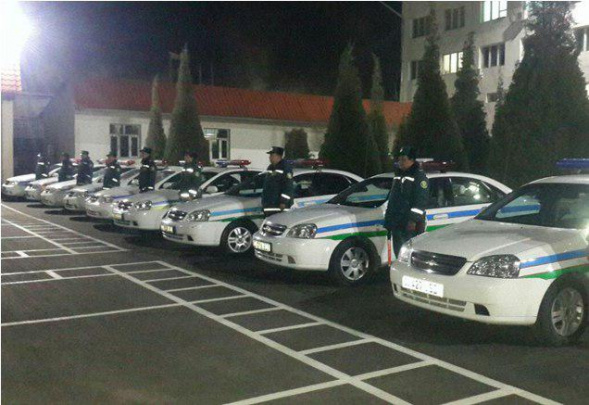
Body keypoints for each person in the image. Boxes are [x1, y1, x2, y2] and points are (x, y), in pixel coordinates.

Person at [384, 146, 429, 257]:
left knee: (410, 255)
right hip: (397, 222)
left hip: (410, 225)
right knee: (399, 253)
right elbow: (393, 199)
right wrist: (388, 220)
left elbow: (421, 201)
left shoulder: (419, 176)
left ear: (412, 160)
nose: (400, 162)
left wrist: (413, 220)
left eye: (404, 159)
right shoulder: (398, 175)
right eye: (399, 159)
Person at [261, 146, 294, 217]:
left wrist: (283, 201)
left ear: (278, 156)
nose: (269, 157)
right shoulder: (270, 167)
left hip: (279, 206)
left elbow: (288, 186)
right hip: (269, 205)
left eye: (272, 155)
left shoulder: (285, 167)